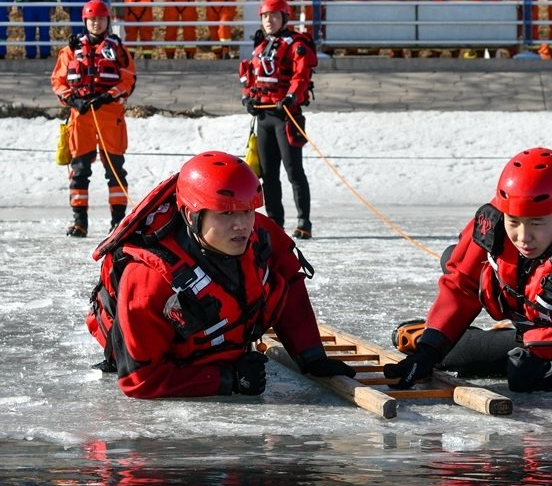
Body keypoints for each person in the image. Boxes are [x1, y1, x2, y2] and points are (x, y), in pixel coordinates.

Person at [384, 148, 552, 395]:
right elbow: (462, 285)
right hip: (530, 314)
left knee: (514, 368)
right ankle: (430, 336)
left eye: (537, 224)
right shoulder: (497, 219)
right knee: (454, 260)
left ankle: (525, 355)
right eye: (514, 222)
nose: (522, 237)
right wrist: (430, 349)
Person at [87, 151, 355, 398]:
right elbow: (139, 381)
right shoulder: (148, 280)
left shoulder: (258, 235)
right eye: (225, 213)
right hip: (168, 361)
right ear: (192, 216)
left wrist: (310, 354)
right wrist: (225, 379)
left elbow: (288, 280)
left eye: (247, 210)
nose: (241, 224)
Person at [51, 0, 136, 237]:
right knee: (78, 171)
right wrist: (72, 100)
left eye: (100, 19)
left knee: (115, 170)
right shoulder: (70, 50)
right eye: (92, 19)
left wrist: (107, 97)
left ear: (108, 21)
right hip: (81, 117)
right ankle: (80, 222)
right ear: (85, 22)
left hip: (110, 116)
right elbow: (58, 81)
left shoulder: (117, 50)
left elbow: (128, 79)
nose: (96, 23)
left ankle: (118, 223)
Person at [239, 0, 317, 240]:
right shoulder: (261, 45)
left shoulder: (296, 43)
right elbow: (250, 76)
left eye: (274, 16)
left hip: (286, 117)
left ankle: (304, 221)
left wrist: (291, 98)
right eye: (265, 16)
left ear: (284, 18)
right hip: (264, 117)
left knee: (294, 171)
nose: (268, 21)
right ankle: (275, 221)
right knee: (269, 174)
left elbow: (301, 74)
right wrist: (247, 98)